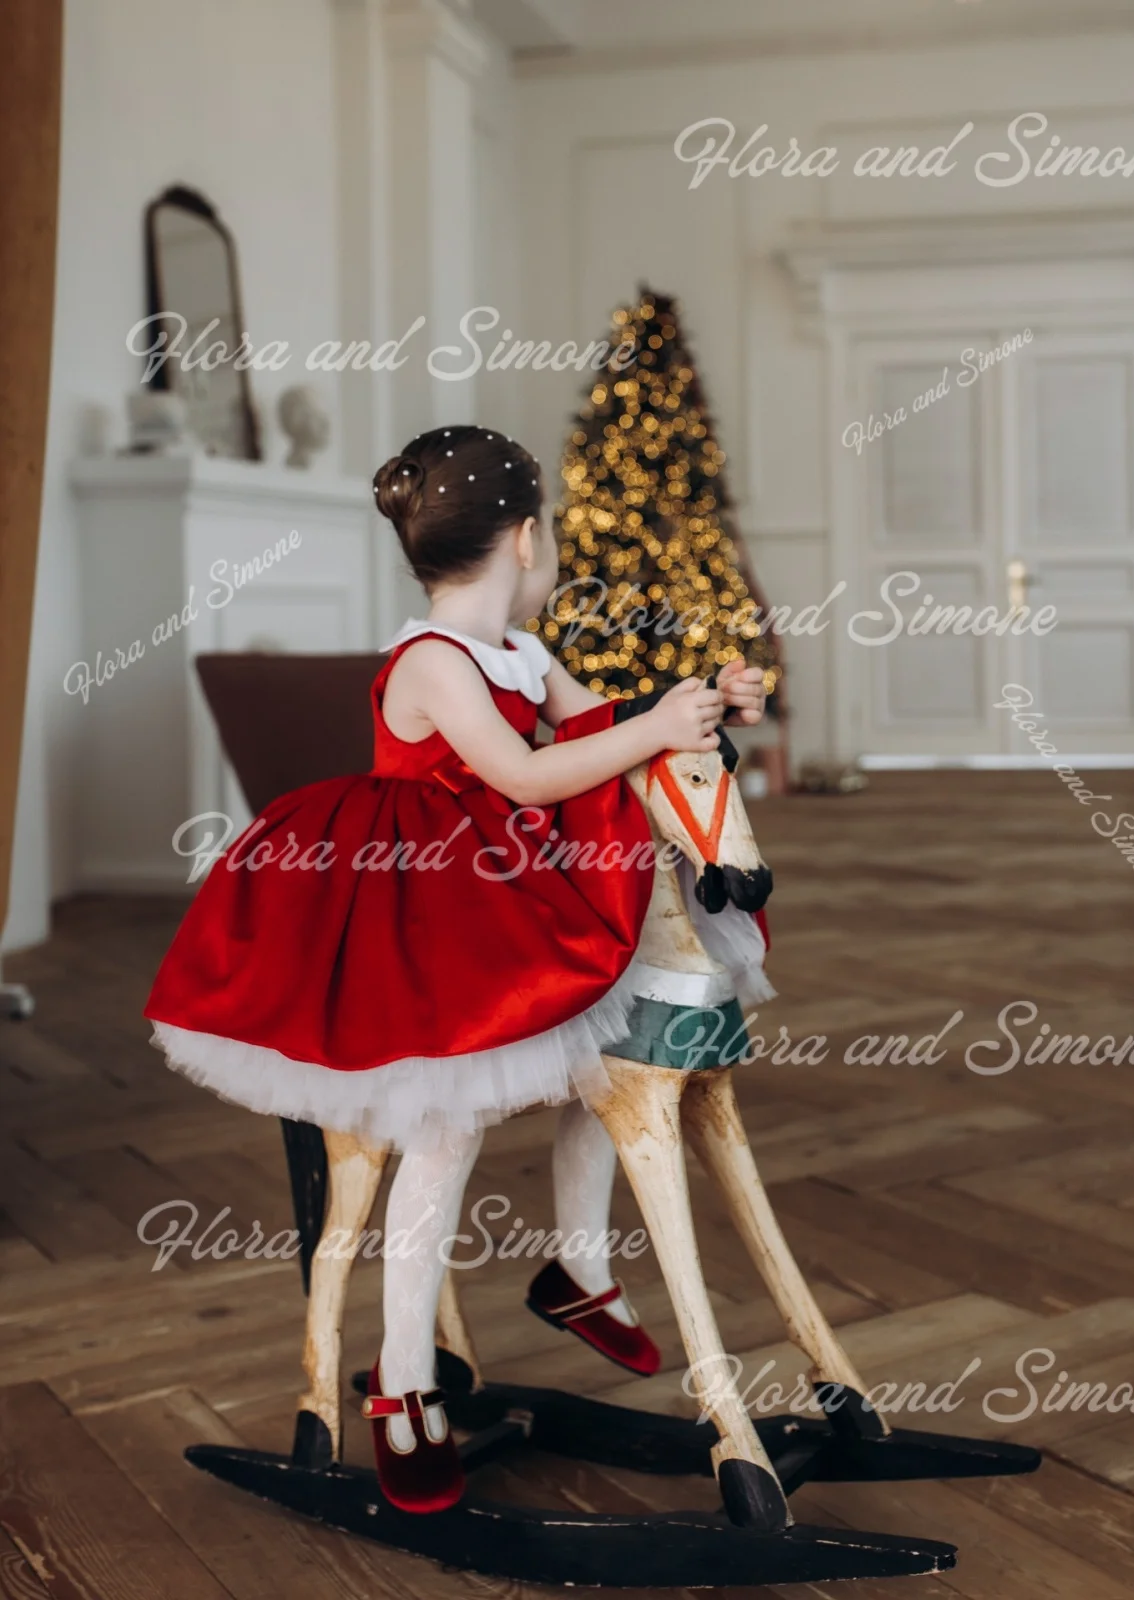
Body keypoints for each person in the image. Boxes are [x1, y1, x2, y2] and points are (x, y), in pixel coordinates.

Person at [145, 423, 766, 1511]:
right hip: (422, 913)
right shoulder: (431, 659)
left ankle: (575, 1267)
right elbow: (527, 774)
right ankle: (402, 1381)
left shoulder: (524, 654)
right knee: (441, 1138)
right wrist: (653, 724)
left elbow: (602, 727)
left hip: (501, 897)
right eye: (552, 533)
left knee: (607, 1047)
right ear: (525, 539)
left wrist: (700, 707)